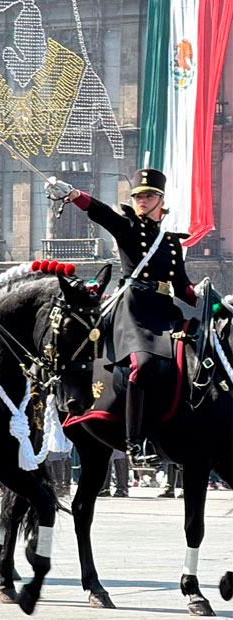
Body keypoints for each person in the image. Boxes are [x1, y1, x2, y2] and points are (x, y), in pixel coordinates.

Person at [46, 168, 195, 466]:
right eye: (138, 196)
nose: (142, 200)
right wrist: (73, 194)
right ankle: (135, 441)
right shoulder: (127, 226)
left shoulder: (171, 243)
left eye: (148, 195)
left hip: (164, 309)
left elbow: (182, 285)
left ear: (160, 201)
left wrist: (206, 296)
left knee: (195, 358)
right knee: (144, 364)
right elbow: (101, 212)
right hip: (134, 308)